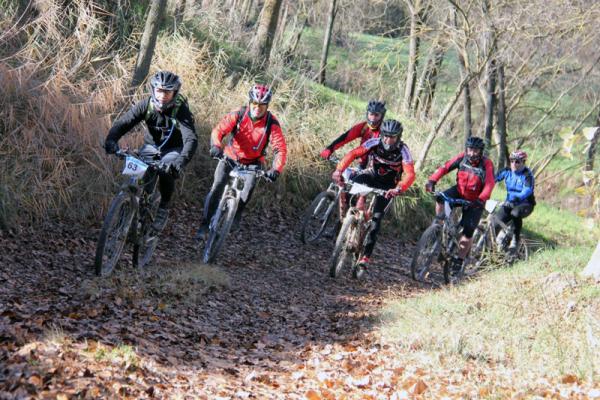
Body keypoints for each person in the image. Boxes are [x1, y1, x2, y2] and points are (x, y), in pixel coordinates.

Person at [104, 70, 198, 231]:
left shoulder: (180, 110)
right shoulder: (146, 105)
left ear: (174, 93)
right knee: (137, 178)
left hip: (173, 149)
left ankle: (163, 207)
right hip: (151, 147)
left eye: (167, 92)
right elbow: (124, 123)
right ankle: (128, 211)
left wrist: (179, 163)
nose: (162, 96)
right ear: (153, 90)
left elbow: (191, 138)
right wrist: (111, 140)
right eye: (159, 91)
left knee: (166, 170)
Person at [197, 83, 287, 236]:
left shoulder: (272, 123)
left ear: (267, 106)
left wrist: (275, 170)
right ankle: (205, 224)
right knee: (217, 185)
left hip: (253, 163)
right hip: (231, 156)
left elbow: (280, 149)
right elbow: (219, 130)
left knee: (248, 188)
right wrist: (216, 146)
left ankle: (237, 213)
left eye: (262, 105)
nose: (257, 108)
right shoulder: (239, 114)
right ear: (250, 102)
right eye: (255, 104)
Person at [331, 119, 416, 274]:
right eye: (386, 136)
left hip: (389, 186)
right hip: (371, 175)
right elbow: (353, 154)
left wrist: (399, 188)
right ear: (382, 134)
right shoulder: (374, 142)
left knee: (376, 221)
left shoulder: (404, 150)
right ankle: (349, 221)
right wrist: (339, 170)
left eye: (393, 137)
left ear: (398, 137)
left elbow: (410, 174)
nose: (388, 140)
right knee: (351, 187)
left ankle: (365, 257)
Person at [424, 136, 495, 273]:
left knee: (468, 230)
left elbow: (490, 184)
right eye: (469, 150)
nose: (471, 153)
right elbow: (445, 167)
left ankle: (459, 259)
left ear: (481, 152)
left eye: (475, 151)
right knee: (440, 198)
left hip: (476, 200)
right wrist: (432, 180)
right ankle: (439, 224)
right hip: (459, 191)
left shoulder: (487, 164)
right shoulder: (462, 157)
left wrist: (482, 198)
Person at [319, 100, 387, 167]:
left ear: (382, 116)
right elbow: (345, 138)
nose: (373, 118)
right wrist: (329, 149)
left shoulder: (386, 131)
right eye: (371, 114)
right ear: (367, 114)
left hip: (380, 166)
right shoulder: (364, 127)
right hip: (363, 164)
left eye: (376, 115)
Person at [494, 150, 535, 251]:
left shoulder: (527, 175)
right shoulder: (506, 171)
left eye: (517, 162)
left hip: (525, 204)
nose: (513, 164)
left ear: (523, 162)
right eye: (512, 161)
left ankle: (515, 240)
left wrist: (516, 197)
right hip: (509, 202)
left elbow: (527, 190)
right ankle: (491, 247)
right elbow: (492, 179)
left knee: (515, 213)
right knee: (494, 223)